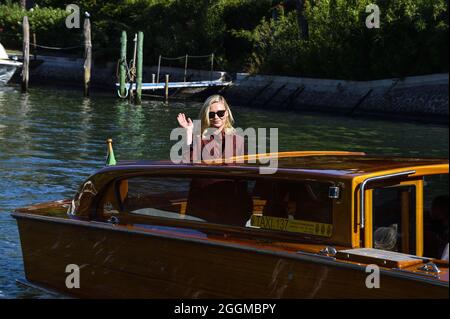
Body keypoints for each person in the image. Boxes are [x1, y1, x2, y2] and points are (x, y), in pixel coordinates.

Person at [177, 94, 245, 163]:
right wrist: (188, 133)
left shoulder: (237, 140)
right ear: (206, 115)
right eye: (211, 114)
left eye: (221, 113)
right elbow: (187, 163)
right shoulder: (199, 138)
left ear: (227, 113)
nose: (216, 117)